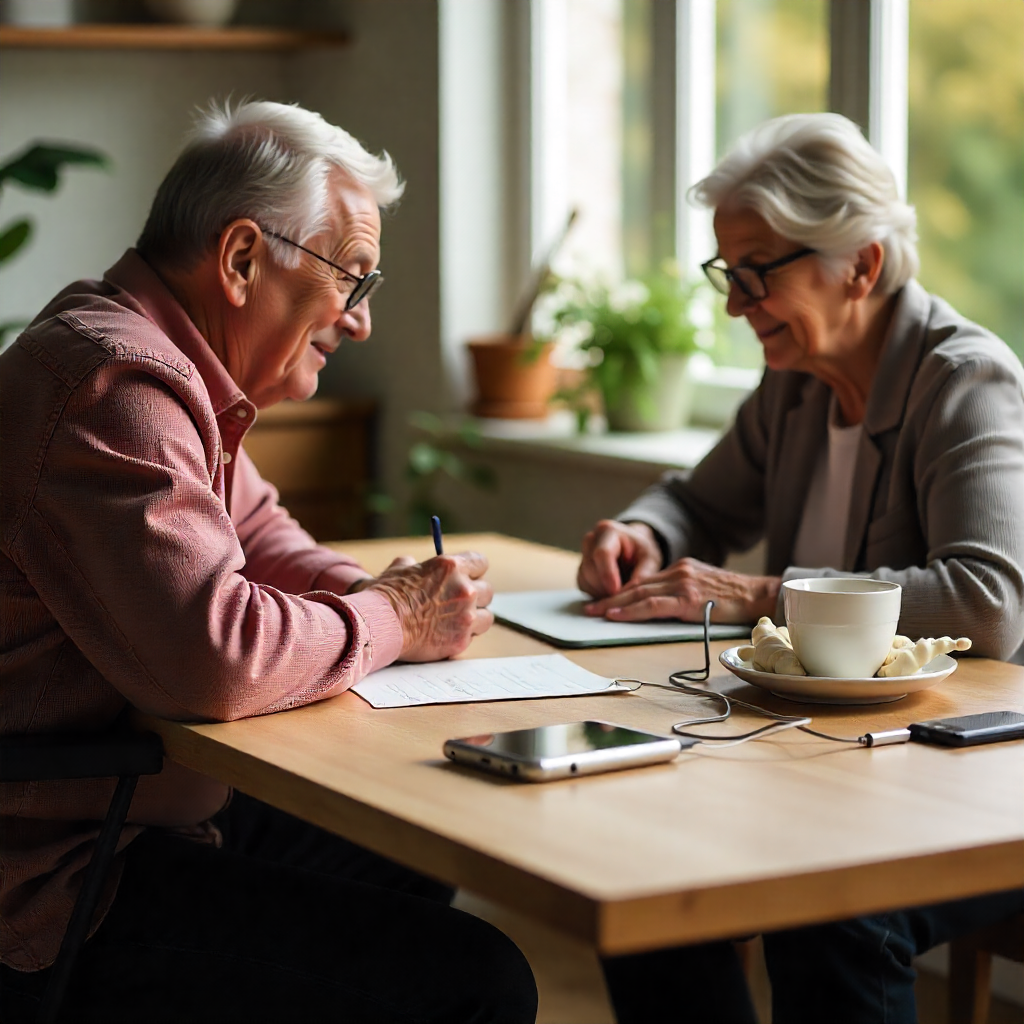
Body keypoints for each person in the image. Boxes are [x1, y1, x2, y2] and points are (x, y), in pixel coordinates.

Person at [0, 100, 537, 1023]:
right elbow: (221, 655)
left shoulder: (157, 361)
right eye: (352, 281)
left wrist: (382, 595)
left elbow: (267, 543)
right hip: (55, 878)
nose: (360, 322)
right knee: (479, 982)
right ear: (243, 259)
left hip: (134, 812)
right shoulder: (115, 385)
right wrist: (394, 619)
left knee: (409, 845)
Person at [576, 113, 1024, 1022]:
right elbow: (697, 501)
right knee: (648, 860)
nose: (735, 305)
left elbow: (988, 605)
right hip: (829, 758)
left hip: (966, 774)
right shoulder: (795, 381)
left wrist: (764, 595)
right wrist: (641, 535)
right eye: (725, 274)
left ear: (860, 263)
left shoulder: (963, 379)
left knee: (832, 913)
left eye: (756, 272)